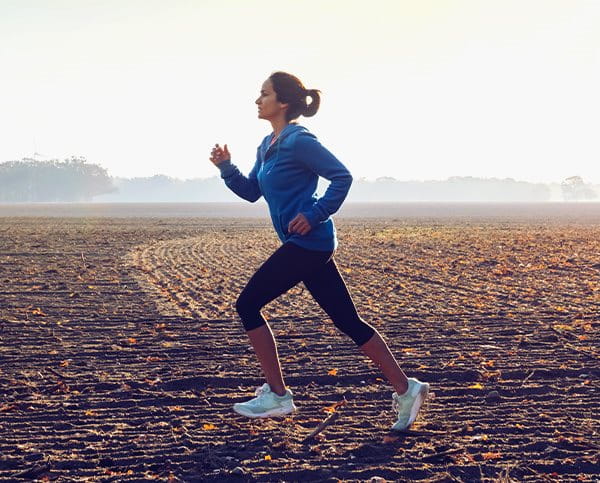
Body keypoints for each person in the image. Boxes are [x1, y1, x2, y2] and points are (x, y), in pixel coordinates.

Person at [209, 71, 429, 431]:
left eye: (263, 94)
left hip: (311, 242)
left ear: (282, 103)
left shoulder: (299, 140)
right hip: (303, 246)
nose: (257, 100)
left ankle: (278, 396)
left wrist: (314, 213)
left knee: (247, 304)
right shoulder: (267, 146)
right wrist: (226, 168)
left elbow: (342, 176)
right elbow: (252, 192)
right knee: (346, 320)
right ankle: (407, 389)